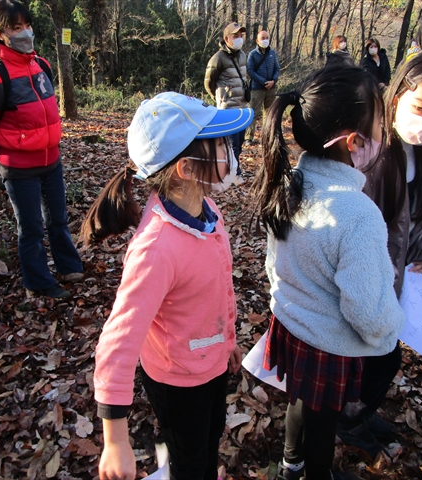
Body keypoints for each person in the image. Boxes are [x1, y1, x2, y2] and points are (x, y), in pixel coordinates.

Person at [86, 92, 253, 480]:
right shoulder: (156, 249)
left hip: (208, 366)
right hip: (177, 381)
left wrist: (225, 341)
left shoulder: (208, 212)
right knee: (190, 462)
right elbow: (118, 340)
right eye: (220, 143)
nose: (231, 150)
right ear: (186, 167)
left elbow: (214, 292)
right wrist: (114, 439)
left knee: (206, 444)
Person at [251, 66, 405, 480]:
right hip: (328, 344)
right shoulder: (359, 215)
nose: (385, 133)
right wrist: (394, 325)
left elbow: (273, 260)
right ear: (355, 141)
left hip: (292, 323)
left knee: (299, 399)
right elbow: (369, 314)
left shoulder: (290, 181)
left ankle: (289, 464)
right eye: (380, 124)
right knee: (323, 424)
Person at [337, 46, 422, 456]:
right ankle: (344, 422)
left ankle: (358, 414)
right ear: (399, 92)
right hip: (356, 278)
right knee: (366, 362)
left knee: (384, 361)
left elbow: (419, 216)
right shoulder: (363, 143)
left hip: (395, 275)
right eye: (421, 107)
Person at [0, 0, 82, 299]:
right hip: (20, 169)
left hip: (51, 160)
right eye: (16, 28)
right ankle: (39, 284)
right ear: (0, 33)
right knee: (30, 228)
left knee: (58, 219)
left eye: (27, 26)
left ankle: (69, 266)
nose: (25, 33)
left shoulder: (40, 65)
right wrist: (8, 151)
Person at [205, 22, 250, 180]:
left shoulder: (243, 55)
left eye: (240, 36)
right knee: (231, 144)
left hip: (243, 107)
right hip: (228, 108)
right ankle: (232, 174)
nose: (239, 39)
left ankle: (232, 170)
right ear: (226, 38)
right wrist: (220, 98)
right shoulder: (218, 58)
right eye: (235, 36)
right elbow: (208, 82)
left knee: (240, 143)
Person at [245, 30, 280, 145]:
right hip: (257, 88)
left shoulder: (272, 53)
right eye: (263, 38)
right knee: (253, 113)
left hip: (271, 88)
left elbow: (277, 68)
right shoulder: (252, 54)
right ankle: (248, 137)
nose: (265, 40)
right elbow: (250, 70)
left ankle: (267, 136)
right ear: (257, 40)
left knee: (269, 113)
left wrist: (273, 81)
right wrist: (263, 82)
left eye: (267, 37)